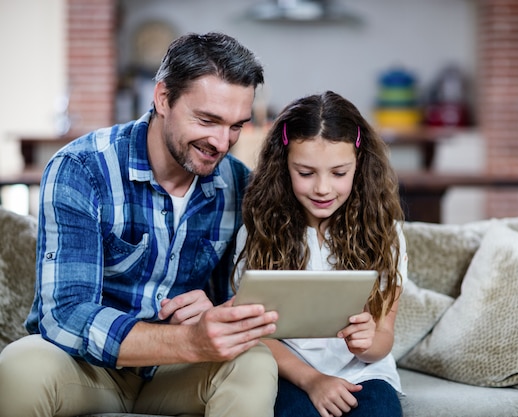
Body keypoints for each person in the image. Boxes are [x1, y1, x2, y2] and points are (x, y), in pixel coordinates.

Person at [0, 32, 279, 417]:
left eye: (236, 126)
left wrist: (217, 310)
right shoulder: (82, 169)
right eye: (208, 120)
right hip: (87, 369)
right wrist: (188, 341)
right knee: (20, 366)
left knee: (256, 361)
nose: (221, 141)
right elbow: (65, 312)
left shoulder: (239, 183)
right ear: (163, 98)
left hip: (177, 375)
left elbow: (243, 299)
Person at [232, 90, 407, 417]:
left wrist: (367, 342)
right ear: (283, 167)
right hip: (288, 372)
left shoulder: (386, 234)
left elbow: (384, 338)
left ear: (359, 165)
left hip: (364, 374)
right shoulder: (258, 233)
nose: (323, 188)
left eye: (339, 173)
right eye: (306, 173)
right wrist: (312, 379)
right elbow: (250, 333)